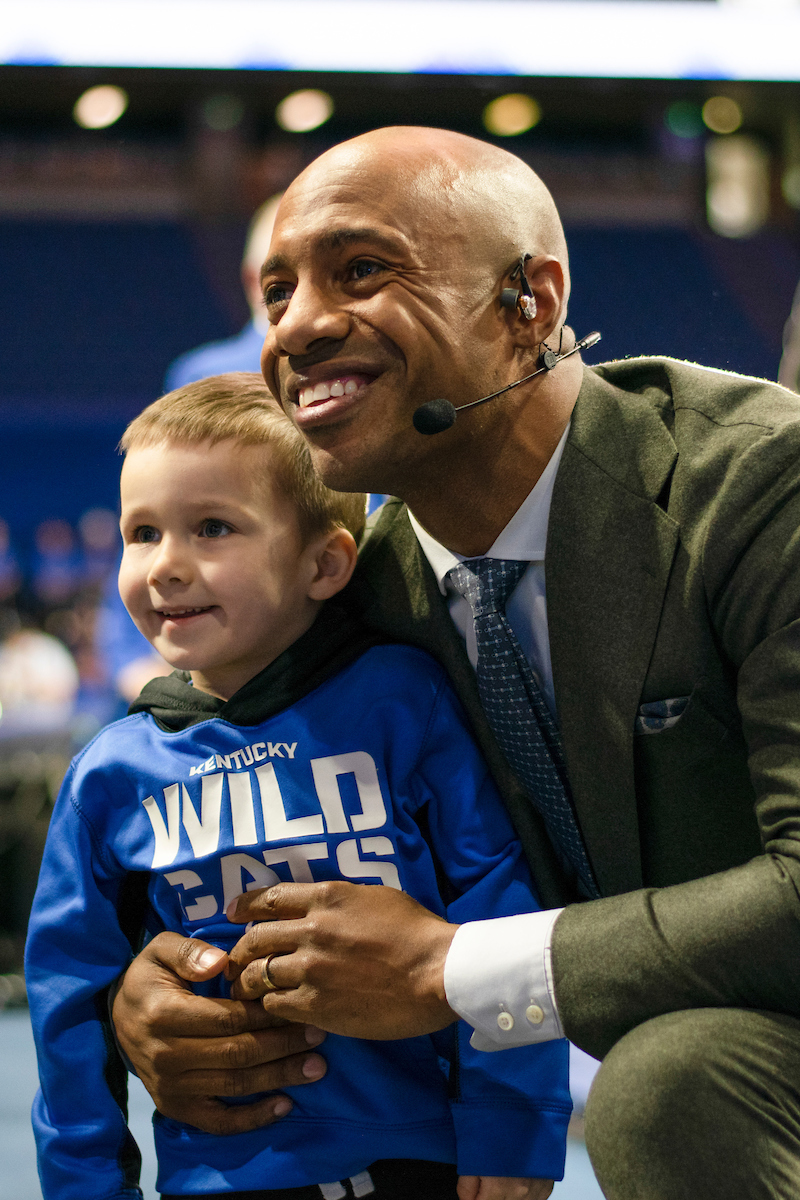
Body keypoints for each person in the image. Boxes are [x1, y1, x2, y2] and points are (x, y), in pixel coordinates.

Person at [112, 126, 800, 1200]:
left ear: (528, 300)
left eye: (361, 270)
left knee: (670, 1081)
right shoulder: (359, 594)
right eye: (274, 293)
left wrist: (449, 970)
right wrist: (151, 988)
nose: (296, 327)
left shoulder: (759, 485)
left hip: (729, 1061)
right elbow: (201, 744)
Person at [26, 372, 570, 1200]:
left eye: (212, 528)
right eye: (143, 533)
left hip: (424, 1159)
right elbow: (69, 1000)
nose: (166, 566)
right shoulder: (108, 775)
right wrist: (84, 1184)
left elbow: (496, 910)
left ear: (324, 562)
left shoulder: (403, 701)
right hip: (219, 1174)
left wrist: (514, 1132)